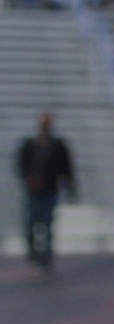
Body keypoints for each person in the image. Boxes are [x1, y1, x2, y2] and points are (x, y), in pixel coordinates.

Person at [13, 113, 76, 278]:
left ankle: (45, 261)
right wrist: (29, 179)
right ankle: (34, 256)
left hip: (50, 191)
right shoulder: (29, 145)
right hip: (32, 191)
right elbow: (20, 165)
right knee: (30, 225)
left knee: (47, 226)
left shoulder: (57, 146)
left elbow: (66, 168)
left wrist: (70, 188)